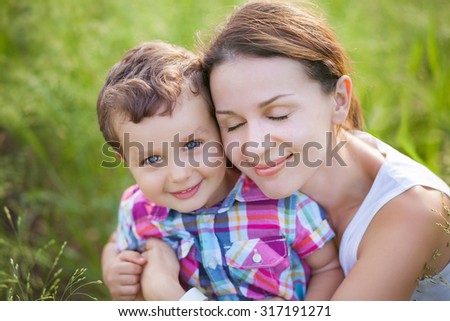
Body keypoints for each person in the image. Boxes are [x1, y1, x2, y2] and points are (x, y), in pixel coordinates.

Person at [141, 0, 450, 300]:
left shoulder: (413, 211)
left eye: (278, 115)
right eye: (232, 124)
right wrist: (123, 260)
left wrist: (171, 298)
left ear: (339, 100)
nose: (255, 145)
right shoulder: (244, 174)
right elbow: (151, 204)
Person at [97, 40, 344, 301]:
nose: (179, 174)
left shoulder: (281, 201)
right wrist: (113, 268)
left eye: (192, 144)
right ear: (125, 160)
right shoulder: (138, 211)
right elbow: (116, 243)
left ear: (220, 128)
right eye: (152, 159)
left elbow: (327, 268)